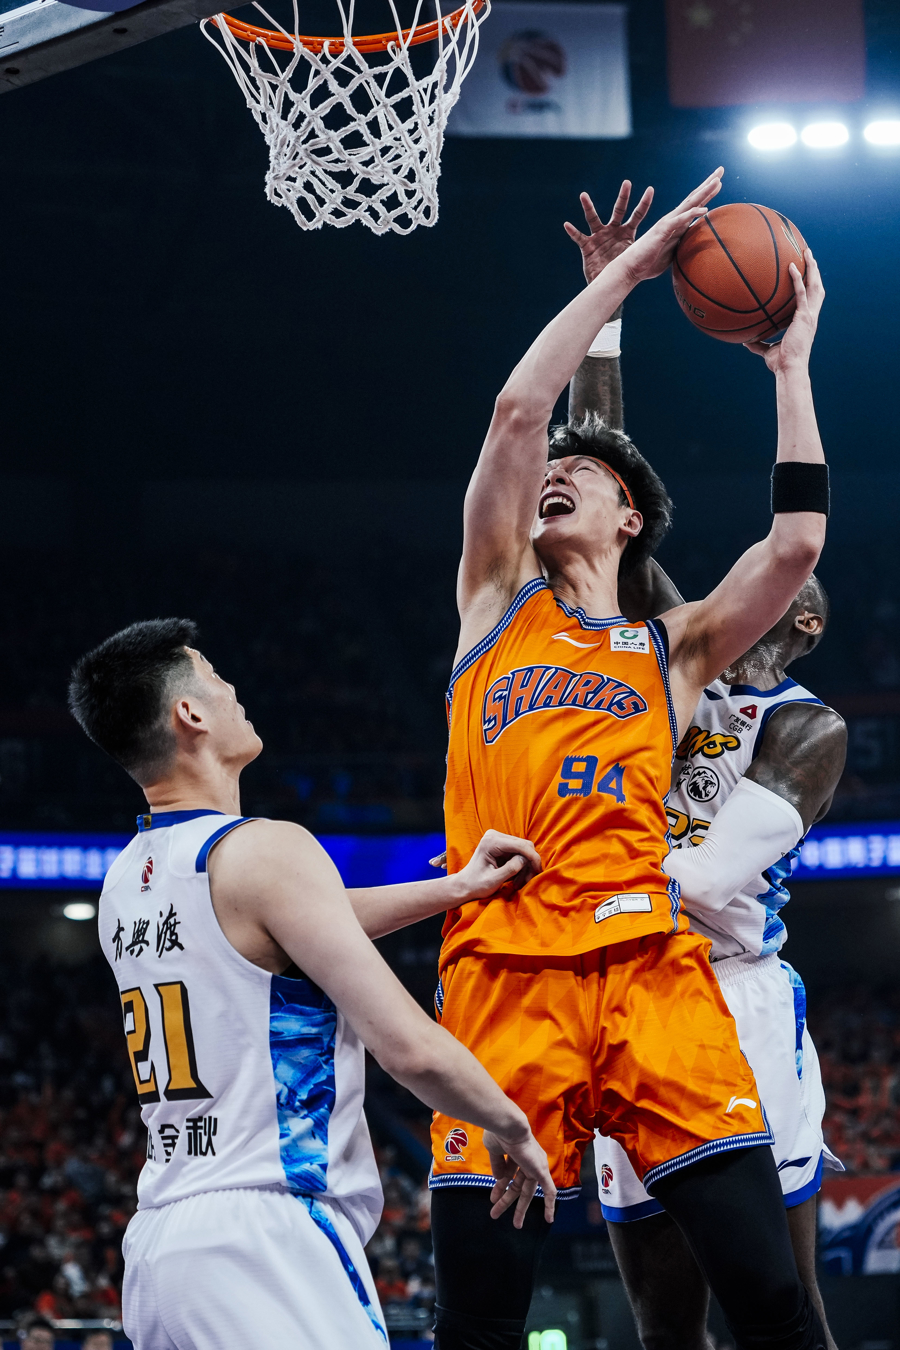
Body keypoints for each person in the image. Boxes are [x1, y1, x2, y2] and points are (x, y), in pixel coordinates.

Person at [428, 167, 832, 1350]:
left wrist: (792, 370)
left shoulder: (675, 647)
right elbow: (520, 413)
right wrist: (625, 279)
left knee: (770, 1298)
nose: (556, 473)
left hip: (655, 974)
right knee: (483, 1311)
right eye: (551, 475)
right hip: (507, 974)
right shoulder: (493, 601)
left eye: (587, 475)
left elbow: (794, 545)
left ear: (630, 522)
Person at [67, 620, 556, 1350]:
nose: (235, 690)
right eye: (216, 677)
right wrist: (511, 1125)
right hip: (266, 1237)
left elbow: (294, 925)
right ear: (189, 713)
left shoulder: (126, 881)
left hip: (162, 1247)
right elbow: (408, 1048)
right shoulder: (269, 849)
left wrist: (455, 889)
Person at [566, 183, 846, 1349]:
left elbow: (705, 878)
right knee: (661, 1321)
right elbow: (607, 501)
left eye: (776, 585)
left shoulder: (808, 729)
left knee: (781, 1310)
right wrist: (607, 308)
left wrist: (559, 898)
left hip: (728, 993)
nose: (747, 585)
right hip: (627, 989)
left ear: (801, 619)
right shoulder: (677, 661)